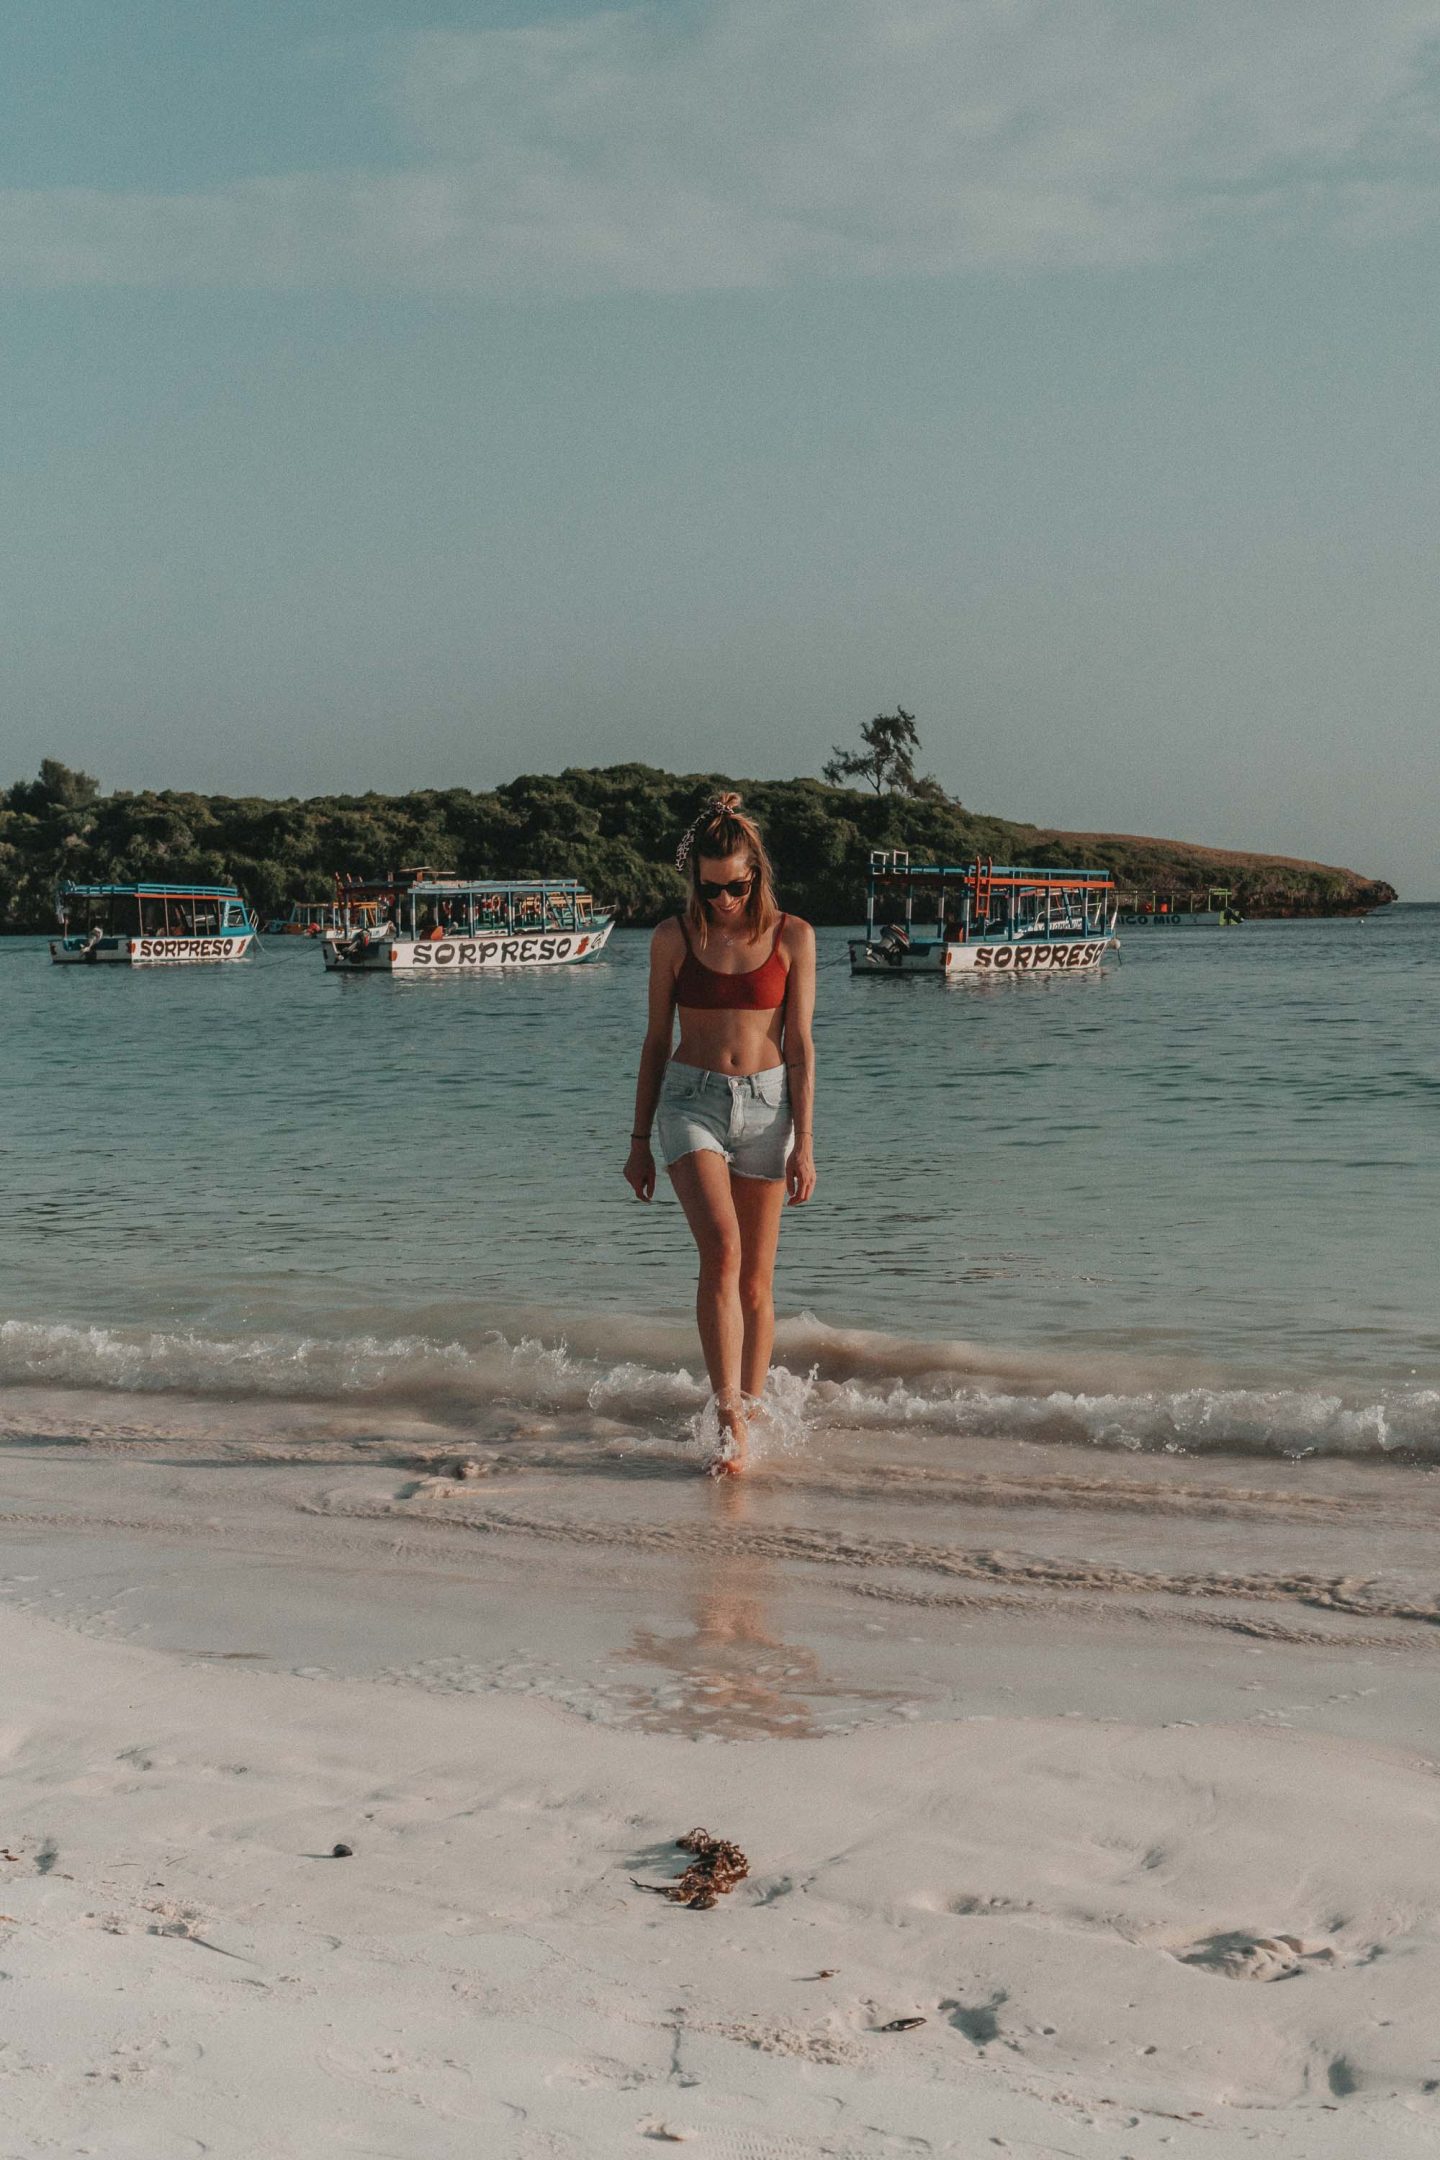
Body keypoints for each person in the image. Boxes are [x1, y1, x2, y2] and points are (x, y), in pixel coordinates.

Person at [623, 793, 816, 1476]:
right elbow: (654, 1040)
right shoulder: (673, 938)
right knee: (724, 1251)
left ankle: (753, 1410)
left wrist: (808, 1143)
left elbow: (800, 1044)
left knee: (759, 1284)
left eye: (737, 885)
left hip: (769, 1109)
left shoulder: (794, 936)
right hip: (690, 1104)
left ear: (757, 873)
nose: (725, 899)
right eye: (712, 888)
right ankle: (729, 1417)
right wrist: (639, 1139)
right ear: (695, 881)